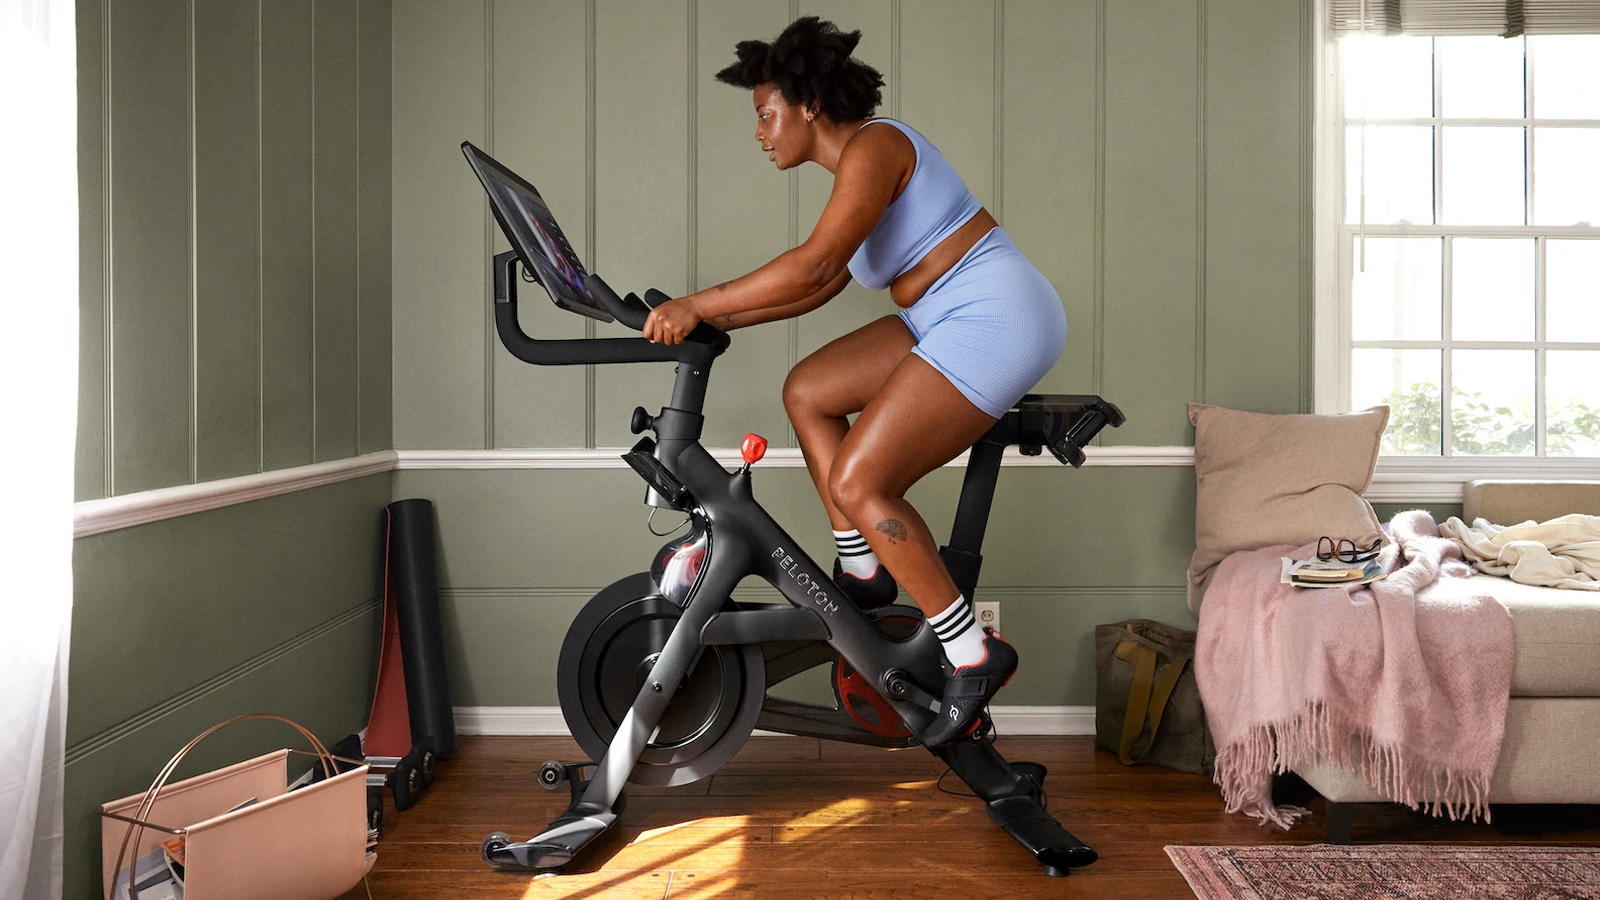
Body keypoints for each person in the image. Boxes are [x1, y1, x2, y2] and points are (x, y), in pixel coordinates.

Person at [641, 17, 1067, 747]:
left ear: (807, 105)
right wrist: (720, 322)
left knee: (862, 484)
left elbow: (810, 266)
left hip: (999, 315)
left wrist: (697, 304)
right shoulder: (856, 173)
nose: (760, 132)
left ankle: (973, 653)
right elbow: (818, 287)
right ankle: (862, 567)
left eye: (765, 114)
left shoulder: (877, 145)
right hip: (944, 313)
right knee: (810, 389)